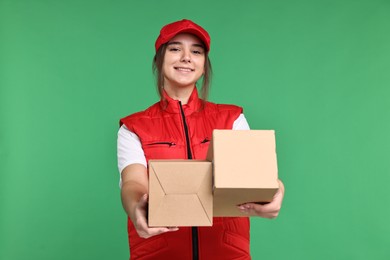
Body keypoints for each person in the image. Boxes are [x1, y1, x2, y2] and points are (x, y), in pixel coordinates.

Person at [117, 19, 285, 260]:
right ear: (159, 59)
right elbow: (133, 182)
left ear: (204, 65)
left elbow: (254, 174)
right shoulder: (133, 127)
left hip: (226, 252)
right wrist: (136, 208)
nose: (186, 57)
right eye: (175, 49)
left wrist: (278, 189)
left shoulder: (232, 118)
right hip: (159, 252)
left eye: (196, 51)